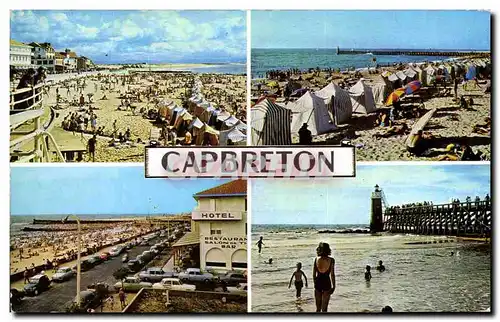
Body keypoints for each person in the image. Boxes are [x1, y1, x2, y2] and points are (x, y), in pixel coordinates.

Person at [313, 242, 335, 313]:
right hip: (327, 283)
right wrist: (334, 286)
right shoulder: (331, 260)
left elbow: (314, 274)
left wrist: (315, 283)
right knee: (324, 309)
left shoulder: (316, 259)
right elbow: (332, 274)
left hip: (318, 282)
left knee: (318, 309)